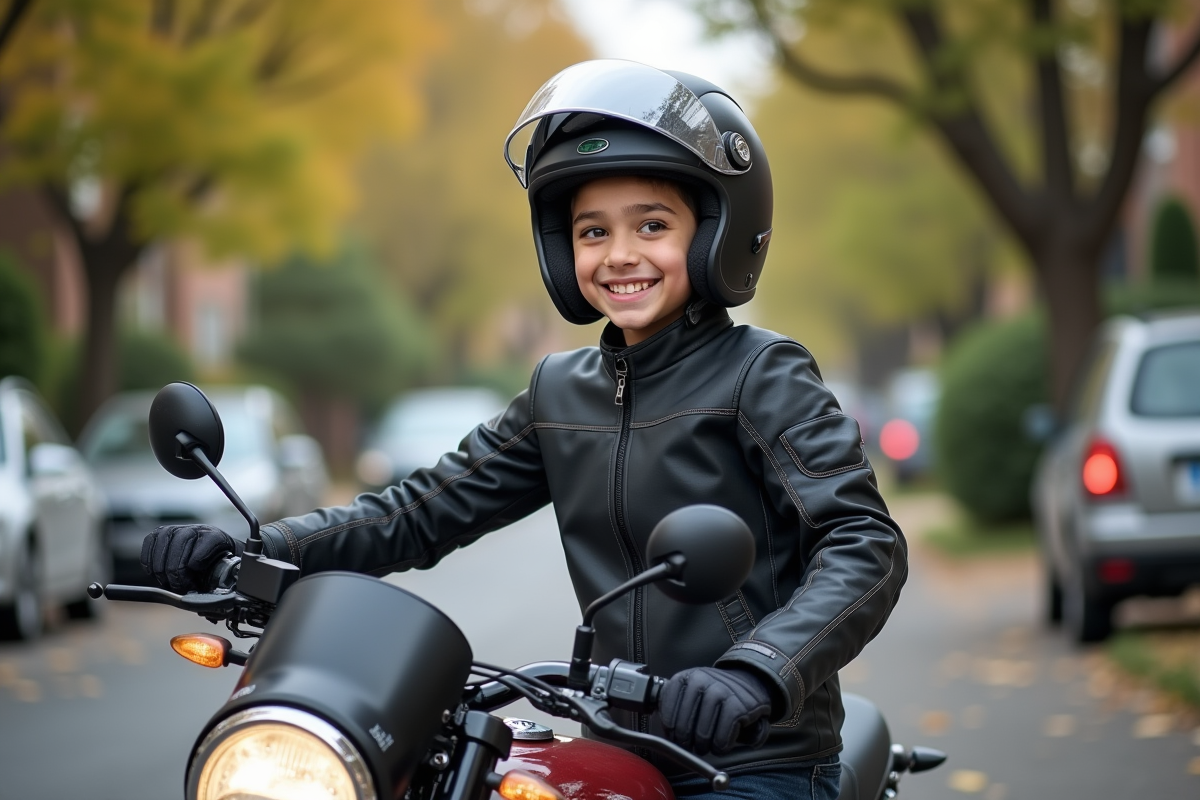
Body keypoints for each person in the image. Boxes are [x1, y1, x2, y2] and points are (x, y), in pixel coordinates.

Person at [142, 60, 907, 800]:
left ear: (715, 234)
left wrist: (760, 668)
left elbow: (863, 545)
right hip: (612, 738)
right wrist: (258, 548)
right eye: (591, 232)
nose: (620, 255)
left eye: (652, 224)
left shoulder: (762, 375)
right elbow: (417, 511)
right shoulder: (558, 392)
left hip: (754, 758)